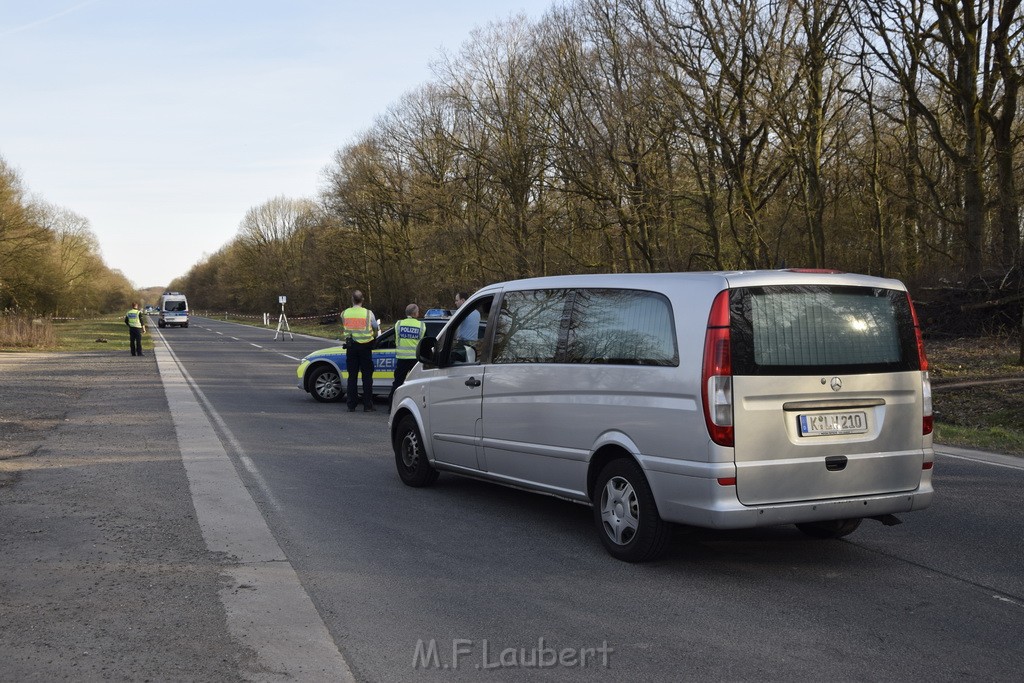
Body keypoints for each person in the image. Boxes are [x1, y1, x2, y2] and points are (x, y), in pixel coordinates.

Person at [341, 290, 380, 412]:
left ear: (352, 300)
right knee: (367, 377)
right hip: (366, 347)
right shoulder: (369, 313)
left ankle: (351, 405)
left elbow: (345, 326)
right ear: (362, 300)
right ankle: (367, 405)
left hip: (351, 347)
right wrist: (373, 336)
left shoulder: (344, 313)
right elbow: (375, 328)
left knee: (352, 377)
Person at [389, 303, 426, 408]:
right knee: (416, 385)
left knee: (397, 383)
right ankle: (417, 406)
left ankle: (391, 406)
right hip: (415, 359)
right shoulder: (421, 325)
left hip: (402, 358)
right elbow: (423, 343)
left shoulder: (399, 324)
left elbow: (396, 340)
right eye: (418, 312)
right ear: (415, 313)